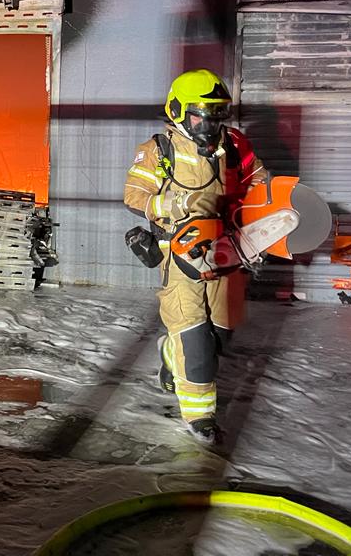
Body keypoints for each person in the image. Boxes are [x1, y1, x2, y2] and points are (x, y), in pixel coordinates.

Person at [123, 69, 267, 444]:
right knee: (196, 340)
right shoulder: (159, 150)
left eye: (217, 115)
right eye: (202, 115)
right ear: (177, 111)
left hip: (225, 252)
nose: (210, 124)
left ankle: (170, 354)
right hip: (179, 256)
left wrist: (266, 227)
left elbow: (260, 185)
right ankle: (200, 416)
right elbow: (134, 196)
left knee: (220, 336)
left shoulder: (234, 145)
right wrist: (169, 203)